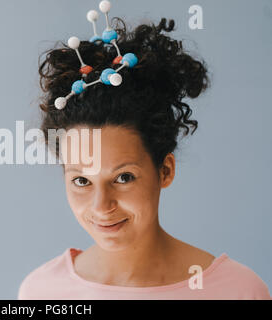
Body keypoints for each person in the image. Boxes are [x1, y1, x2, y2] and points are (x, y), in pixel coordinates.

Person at [17, 4, 271, 299]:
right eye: (81, 180)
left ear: (165, 170)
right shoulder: (42, 292)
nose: (102, 206)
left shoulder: (238, 291)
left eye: (124, 177)